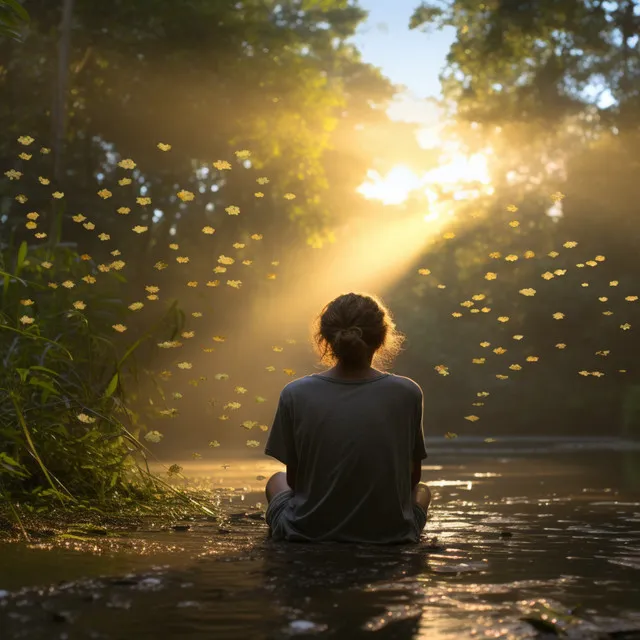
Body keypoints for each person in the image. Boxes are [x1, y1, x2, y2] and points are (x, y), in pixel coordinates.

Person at [264, 292, 431, 543]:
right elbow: (412, 479)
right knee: (423, 491)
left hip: (308, 531)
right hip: (392, 534)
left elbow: (294, 481)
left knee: (275, 480)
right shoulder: (407, 392)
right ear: (382, 338)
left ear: (326, 340)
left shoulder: (295, 393)